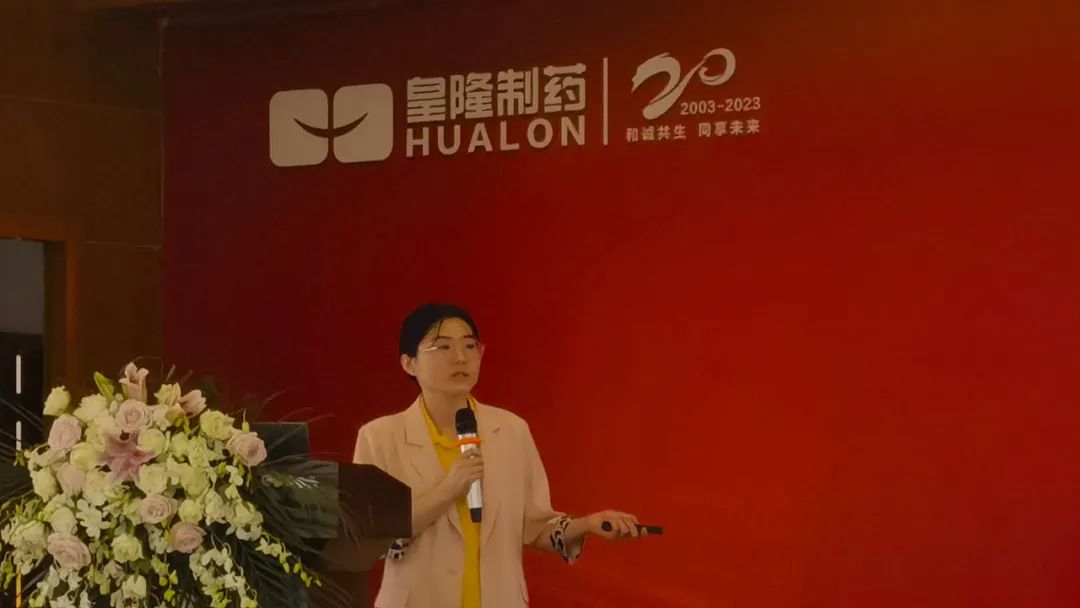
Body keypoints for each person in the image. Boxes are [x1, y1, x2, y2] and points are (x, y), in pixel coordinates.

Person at [353, 303, 646, 608]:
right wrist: (447, 490)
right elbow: (372, 540)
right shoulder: (380, 438)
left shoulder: (511, 430)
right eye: (443, 347)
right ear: (409, 363)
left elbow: (536, 527)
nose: (460, 357)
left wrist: (588, 524)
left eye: (470, 346)